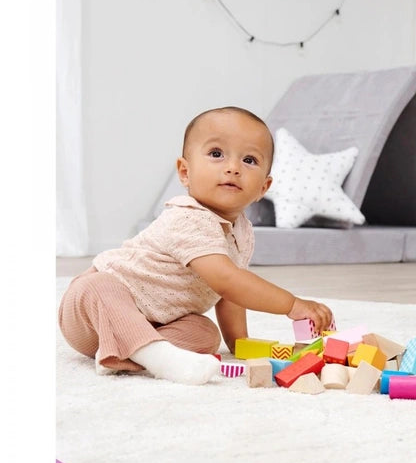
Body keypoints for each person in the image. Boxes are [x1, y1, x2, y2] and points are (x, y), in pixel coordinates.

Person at [59, 106, 333, 385]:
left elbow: (232, 295)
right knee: (96, 286)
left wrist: (240, 344)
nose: (232, 167)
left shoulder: (243, 232)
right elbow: (227, 280)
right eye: (216, 154)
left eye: (249, 160)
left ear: (264, 187)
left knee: (205, 333)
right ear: (185, 172)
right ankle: (158, 356)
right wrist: (291, 304)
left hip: (155, 324)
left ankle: (129, 356)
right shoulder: (188, 217)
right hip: (91, 315)